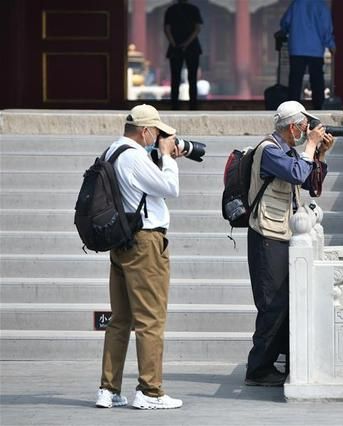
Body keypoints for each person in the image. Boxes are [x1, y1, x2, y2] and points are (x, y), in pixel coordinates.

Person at [95, 104, 184, 409]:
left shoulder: (113, 151)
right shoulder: (134, 155)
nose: (158, 137)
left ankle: (108, 389)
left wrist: (160, 157)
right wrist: (170, 158)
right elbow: (169, 188)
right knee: (150, 319)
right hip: (145, 243)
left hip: (120, 241)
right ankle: (150, 391)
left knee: (120, 319)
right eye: (156, 132)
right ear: (145, 130)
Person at [245, 101, 334, 386]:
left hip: (283, 234)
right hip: (267, 235)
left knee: (285, 302)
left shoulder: (289, 152)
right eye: (304, 126)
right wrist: (309, 147)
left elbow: (311, 185)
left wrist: (318, 154)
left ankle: (280, 362)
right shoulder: (268, 150)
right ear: (293, 127)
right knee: (272, 304)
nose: (307, 131)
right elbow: (297, 173)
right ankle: (258, 369)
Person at [279, 0, 336, 110]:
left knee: (295, 81)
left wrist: (286, 31)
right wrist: (330, 44)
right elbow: (326, 28)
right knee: (317, 80)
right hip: (315, 49)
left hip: (297, 48)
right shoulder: (321, 5)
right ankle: (318, 107)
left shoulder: (297, 3)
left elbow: (285, 22)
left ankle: (292, 109)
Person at [164, 0, 203, 110]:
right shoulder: (194, 9)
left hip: (175, 47)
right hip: (192, 47)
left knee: (175, 78)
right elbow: (197, 29)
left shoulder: (171, 10)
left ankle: (175, 105)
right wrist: (186, 43)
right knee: (192, 78)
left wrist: (175, 44)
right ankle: (193, 106)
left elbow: (167, 30)